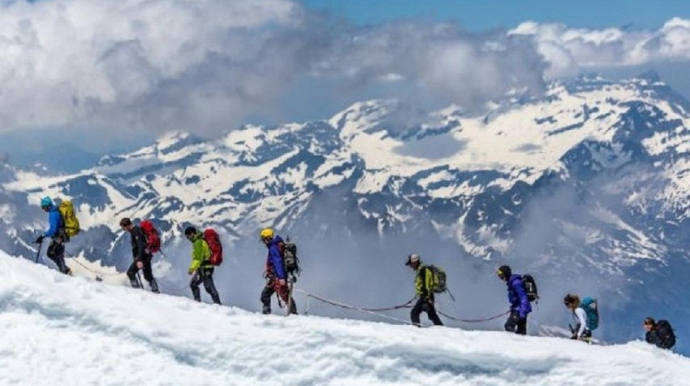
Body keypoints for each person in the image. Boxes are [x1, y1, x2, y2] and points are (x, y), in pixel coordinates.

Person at [259, 228, 297, 315]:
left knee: (268, 294)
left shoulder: (273, 247)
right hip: (277, 275)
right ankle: (293, 312)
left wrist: (281, 277)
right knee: (281, 294)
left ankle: (293, 313)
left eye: (263, 239)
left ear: (267, 238)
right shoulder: (277, 245)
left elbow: (278, 262)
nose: (263, 242)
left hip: (277, 276)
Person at [120, 217, 159, 293]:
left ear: (126, 225)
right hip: (147, 255)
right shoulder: (137, 230)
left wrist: (139, 260)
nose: (124, 230)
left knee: (130, 272)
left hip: (142, 256)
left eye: (123, 228)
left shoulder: (135, 231)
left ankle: (136, 290)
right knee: (147, 275)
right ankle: (155, 289)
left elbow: (141, 245)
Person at [35, 196, 72, 275]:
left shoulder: (53, 214)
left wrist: (43, 235)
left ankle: (65, 271)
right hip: (62, 236)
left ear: (47, 206)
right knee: (57, 254)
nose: (43, 209)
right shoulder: (56, 210)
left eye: (43, 207)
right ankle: (64, 270)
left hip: (58, 237)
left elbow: (53, 229)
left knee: (52, 253)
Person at [185, 226, 221, 305]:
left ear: (192, 234)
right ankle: (197, 302)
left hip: (206, 268)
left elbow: (198, 258)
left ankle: (218, 305)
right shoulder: (199, 241)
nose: (188, 238)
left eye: (188, 236)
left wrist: (191, 269)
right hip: (203, 267)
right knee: (194, 284)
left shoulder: (198, 242)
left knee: (209, 287)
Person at [406, 254, 443, 327]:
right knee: (431, 314)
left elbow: (425, 285)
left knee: (414, 312)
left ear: (415, 262)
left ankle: (416, 329)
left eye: (410, 264)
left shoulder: (422, 270)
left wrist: (426, 298)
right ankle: (441, 328)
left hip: (425, 296)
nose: (410, 266)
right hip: (428, 296)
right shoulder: (422, 270)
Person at [497, 265, 531, 335]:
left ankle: (513, 341)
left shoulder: (516, 283)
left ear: (506, 274)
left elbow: (523, 297)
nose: (501, 278)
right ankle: (522, 344)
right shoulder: (512, 282)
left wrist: (522, 311)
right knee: (521, 331)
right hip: (519, 308)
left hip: (520, 309)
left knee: (508, 326)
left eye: (501, 275)